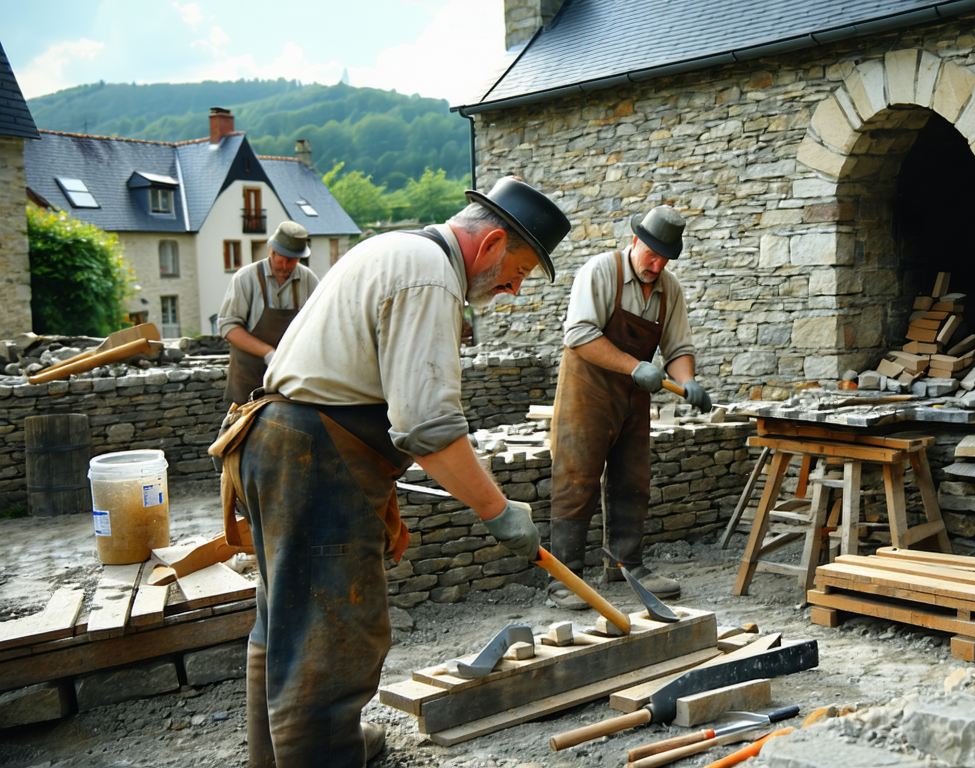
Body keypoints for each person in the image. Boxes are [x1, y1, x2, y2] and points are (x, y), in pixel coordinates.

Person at [211, 178, 570, 768]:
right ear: (493, 242)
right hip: (315, 458)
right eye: (520, 270)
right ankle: (323, 753)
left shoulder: (396, 249)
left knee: (285, 621)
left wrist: (402, 496)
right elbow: (427, 426)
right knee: (332, 638)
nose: (513, 288)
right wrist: (498, 511)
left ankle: (282, 756)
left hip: (283, 442)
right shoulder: (430, 276)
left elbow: (380, 399)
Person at [547, 205, 712, 610]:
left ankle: (626, 564)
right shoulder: (600, 272)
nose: (656, 264)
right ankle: (563, 579)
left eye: (664, 258)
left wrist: (686, 379)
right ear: (635, 241)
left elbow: (678, 348)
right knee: (576, 479)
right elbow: (579, 334)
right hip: (587, 392)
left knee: (632, 480)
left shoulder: (668, 288)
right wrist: (635, 365)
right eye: (651, 254)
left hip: (634, 398)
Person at [218, 221, 319, 405]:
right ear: (272, 251)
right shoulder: (245, 278)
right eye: (285, 259)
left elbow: (318, 324)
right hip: (248, 374)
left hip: (289, 375)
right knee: (243, 430)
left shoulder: (308, 280)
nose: (289, 265)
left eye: (295, 259)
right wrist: (268, 353)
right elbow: (228, 327)